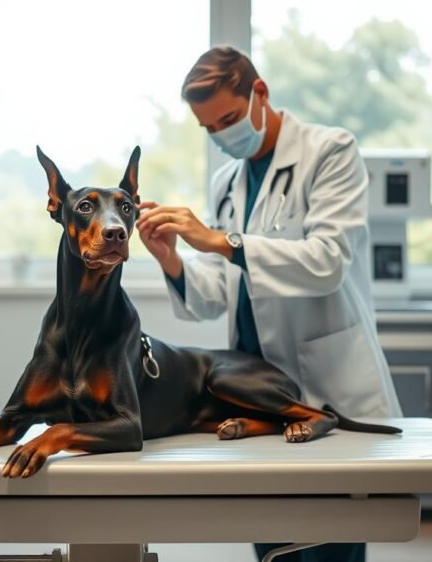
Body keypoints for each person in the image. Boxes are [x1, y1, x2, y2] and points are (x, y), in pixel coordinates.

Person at [135, 46, 402, 562]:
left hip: (329, 389)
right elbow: (215, 296)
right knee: (274, 544)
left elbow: (327, 263)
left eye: (230, 119)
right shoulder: (228, 182)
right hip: (259, 400)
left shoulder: (330, 151)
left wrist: (220, 241)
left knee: (329, 544)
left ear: (260, 93)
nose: (222, 136)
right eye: (210, 128)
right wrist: (172, 258)